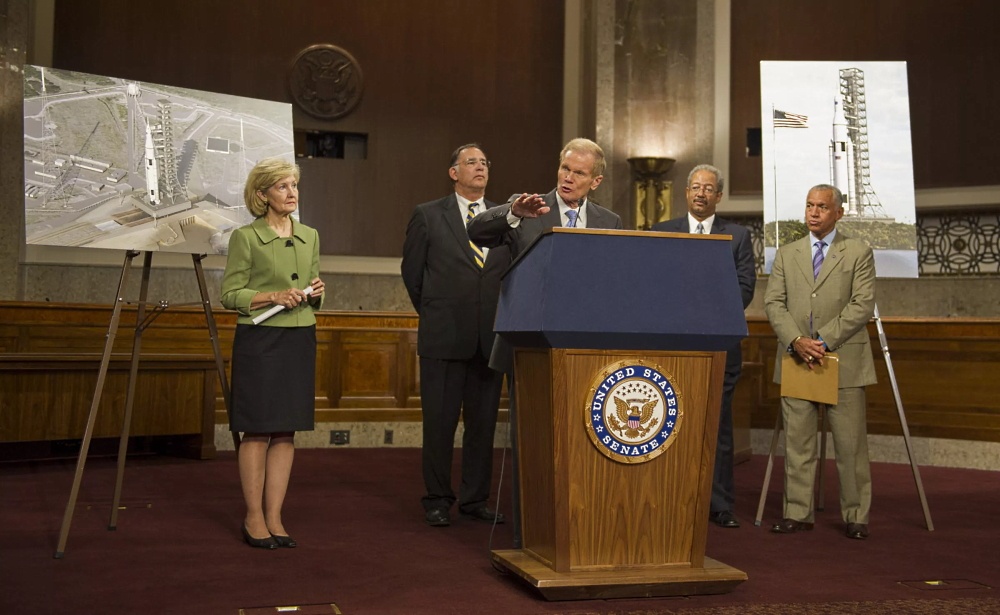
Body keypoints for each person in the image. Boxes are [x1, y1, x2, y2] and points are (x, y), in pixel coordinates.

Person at [467, 137, 623, 546]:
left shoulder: (611, 221)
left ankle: (581, 530)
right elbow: (476, 229)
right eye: (564, 169)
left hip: (588, 349)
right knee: (533, 444)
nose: (568, 178)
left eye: (579, 173)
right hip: (530, 347)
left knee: (582, 442)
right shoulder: (527, 206)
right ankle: (531, 535)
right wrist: (511, 214)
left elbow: (614, 284)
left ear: (596, 180)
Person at [401, 144, 509, 528]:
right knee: (440, 424)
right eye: (471, 162)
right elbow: (413, 276)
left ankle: (475, 499)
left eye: (485, 162)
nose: (480, 167)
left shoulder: (505, 219)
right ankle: (436, 498)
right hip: (444, 338)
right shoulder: (428, 215)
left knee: (482, 427)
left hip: (490, 341)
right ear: (453, 173)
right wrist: (437, 314)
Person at [221, 158, 325, 549]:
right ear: (262, 194)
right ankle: (252, 516)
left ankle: (276, 516)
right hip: (261, 340)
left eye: (294, 185)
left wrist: (317, 290)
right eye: (282, 186)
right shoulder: (246, 238)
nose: (291, 192)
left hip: (300, 338)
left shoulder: (310, 235)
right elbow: (230, 294)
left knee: (286, 430)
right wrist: (273, 296)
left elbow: (315, 284)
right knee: (259, 428)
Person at [763, 183, 876, 540]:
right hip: (798, 359)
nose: (813, 212)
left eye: (822, 207)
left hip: (843, 359)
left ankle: (856, 515)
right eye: (809, 205)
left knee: (850, 445)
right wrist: (797, 341)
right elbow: (773, 304)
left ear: (838, 213)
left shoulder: (857, 251)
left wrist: (823, 341)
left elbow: (862, 304)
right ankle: (797, 512)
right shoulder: (787, 253)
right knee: (798, 444)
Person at [651, 164, 755, 529]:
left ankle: (720, 504)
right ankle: (669, 497)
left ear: (718, 196)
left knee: (717, 427)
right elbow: (655, 287)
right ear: (686, 193)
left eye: (708, 188)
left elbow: (744, 289)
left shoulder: (738, 236)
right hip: (671, 347)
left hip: (719, 346)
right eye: (694, 187)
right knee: (668, 422)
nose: (700, 193)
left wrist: (703, 318)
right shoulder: (662, 233)